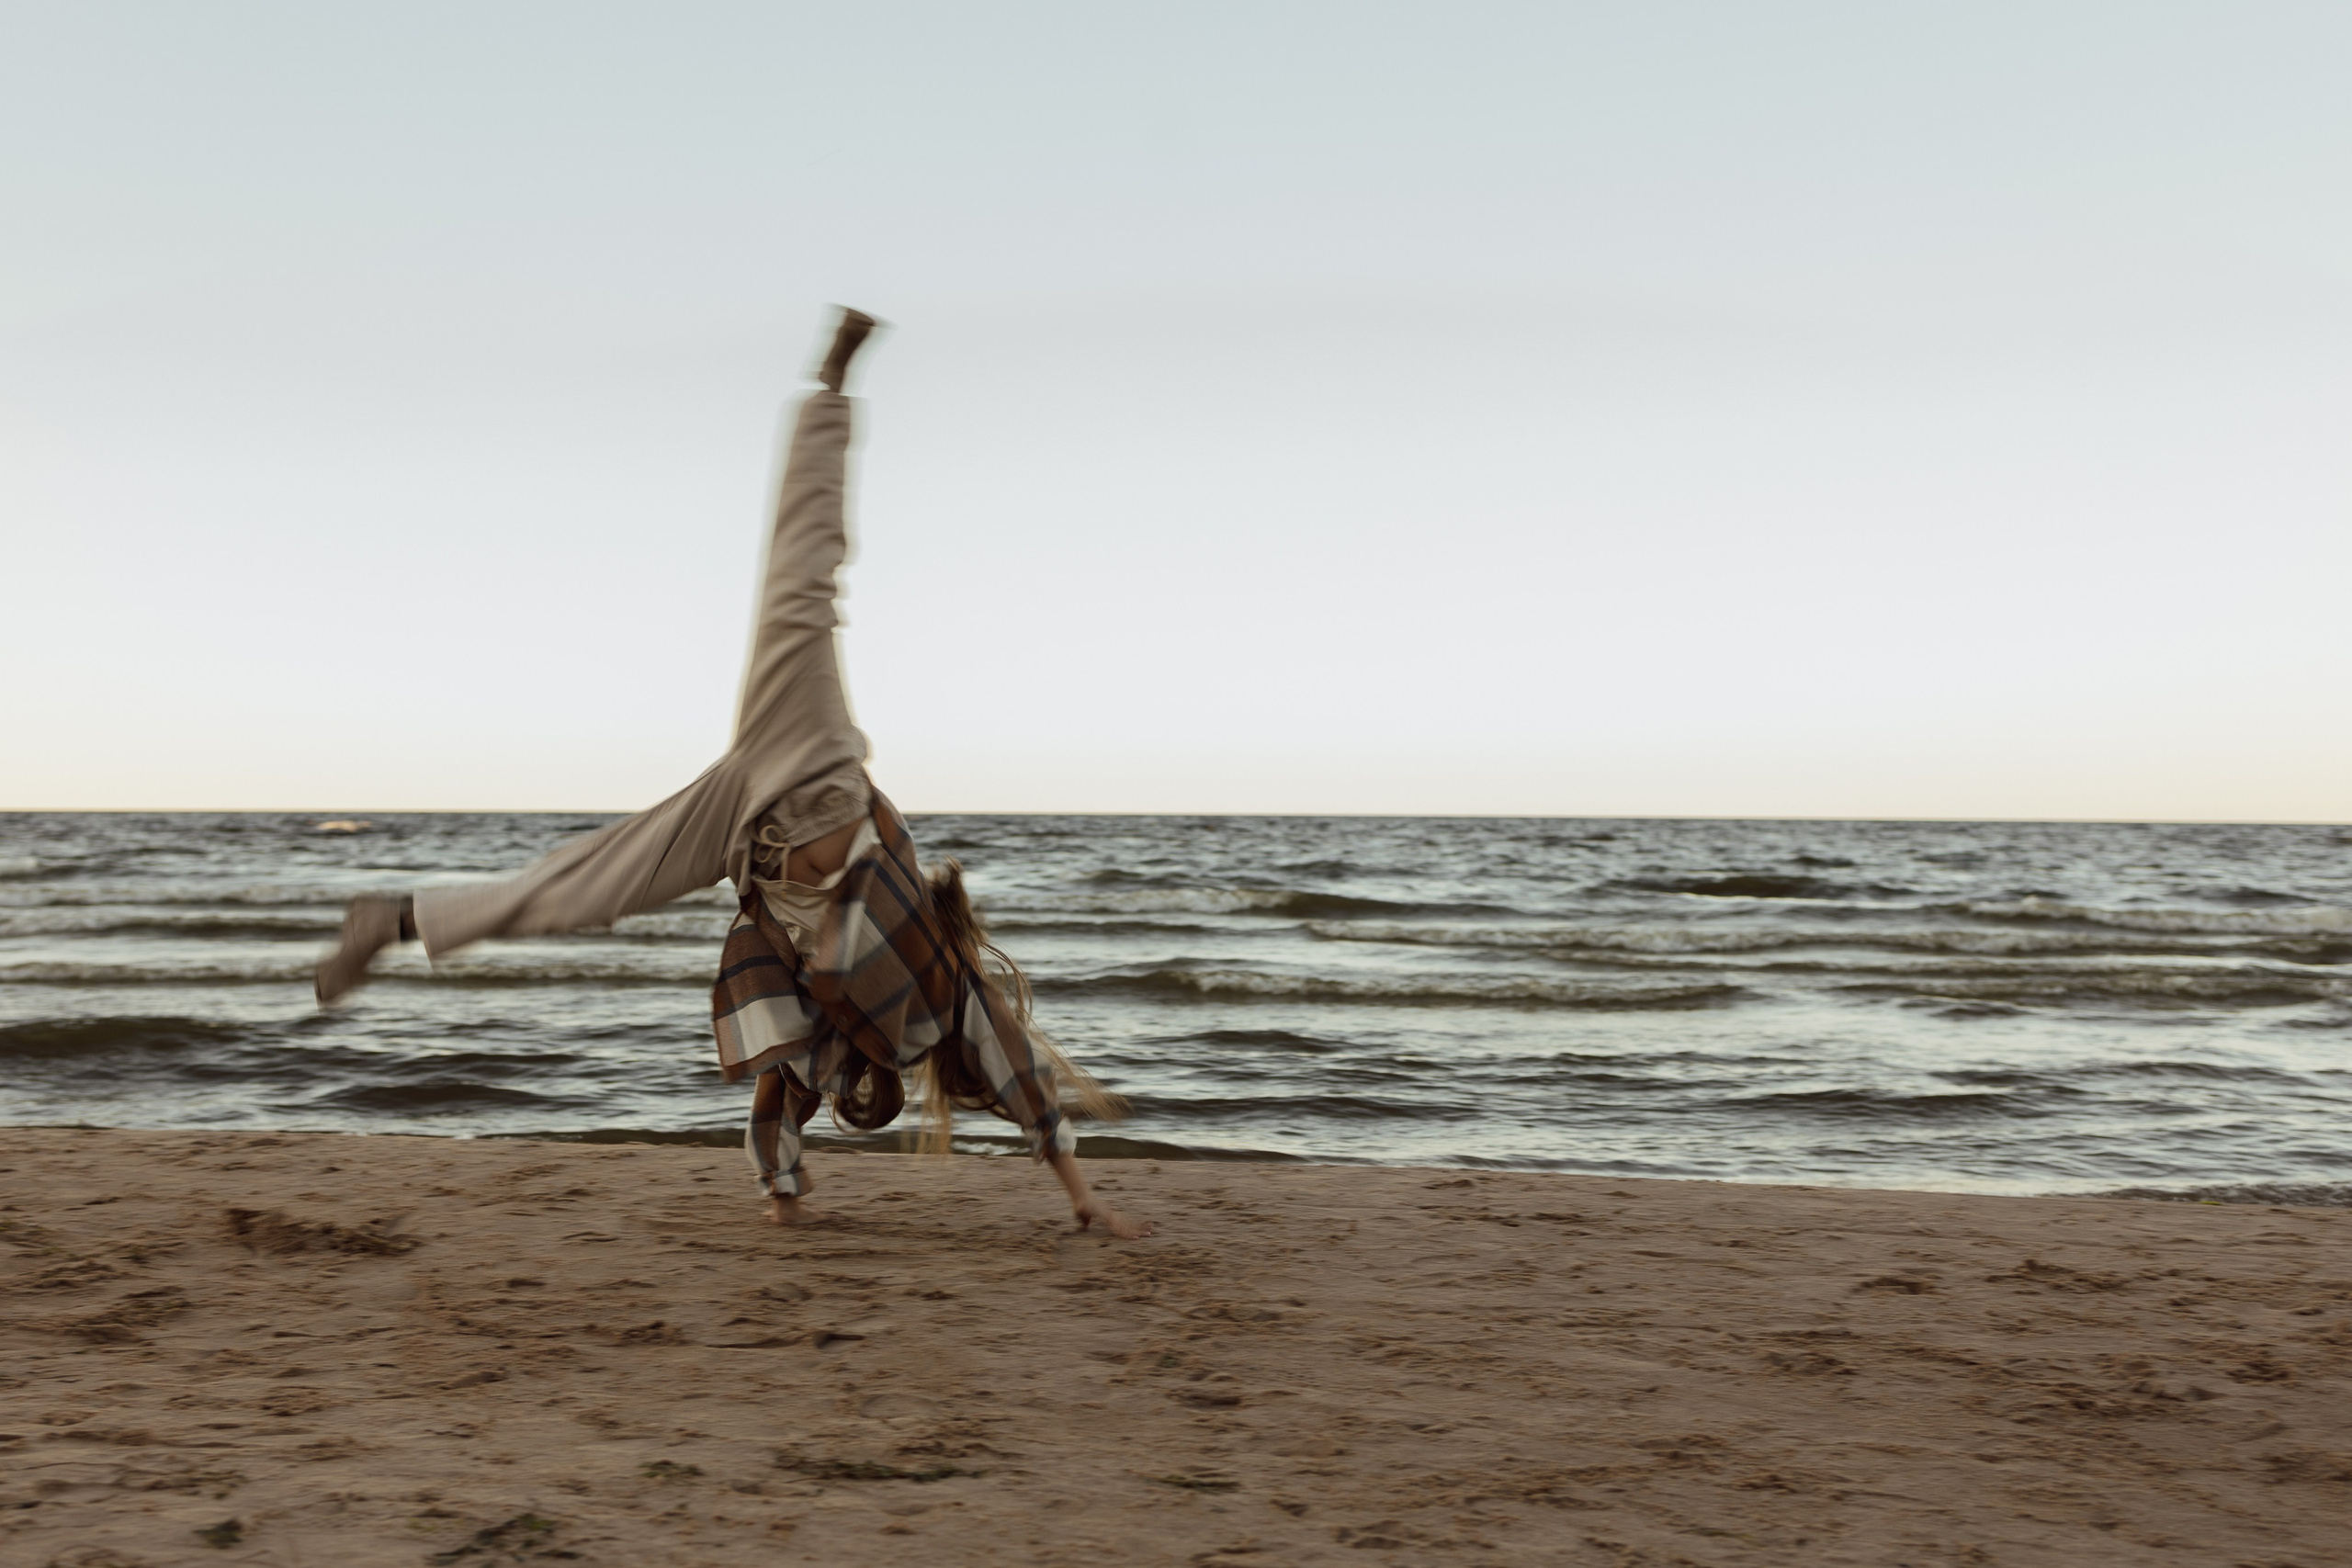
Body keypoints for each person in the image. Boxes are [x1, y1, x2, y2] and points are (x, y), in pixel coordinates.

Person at [314, 309, 1150, 1240]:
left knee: (582, 889)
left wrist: (782, 1198)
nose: (859, 1097)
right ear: (890, 1079)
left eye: (852, 1106)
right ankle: (831, 389)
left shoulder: (822, 1033)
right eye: (871, 1100)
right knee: (804, 581)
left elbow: (777, 1098)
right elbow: (1017, 1071)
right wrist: (1085, 1199)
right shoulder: (939, 993)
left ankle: (391, 920)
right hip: (813, 759)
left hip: (739, 832)